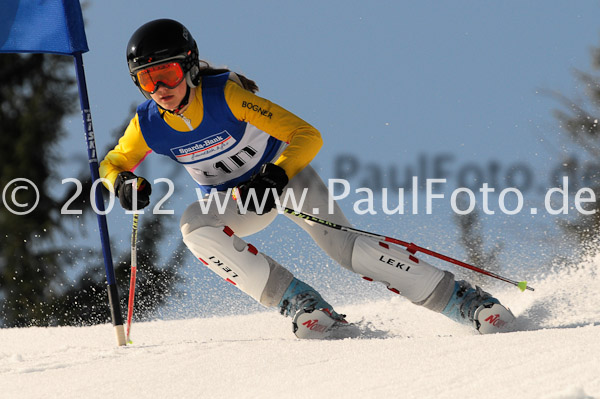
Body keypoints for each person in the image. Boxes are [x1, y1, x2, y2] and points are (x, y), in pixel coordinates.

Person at [100, 18, 515, 338]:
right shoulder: (149, 125)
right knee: (193, 225)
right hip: (239, 202)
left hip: (287, 180)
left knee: (348, 250)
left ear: (189, 66)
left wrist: (276, 176)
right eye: (146, 79)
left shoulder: (226, 95)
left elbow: (307, 135)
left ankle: (464, 301)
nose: (159, 88)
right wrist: (121, 183)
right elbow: (113, 162)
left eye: (167, 73)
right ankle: (300, 303)